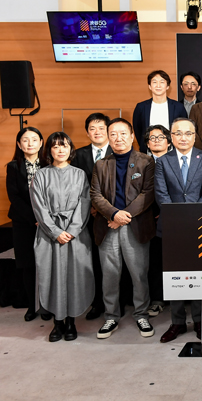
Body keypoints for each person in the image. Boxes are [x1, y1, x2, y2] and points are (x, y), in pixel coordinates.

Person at [90, 118, 156, 339]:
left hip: (135, 226)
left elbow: (147, 194)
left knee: (139, 274)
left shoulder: (146, 161)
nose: (118, 138)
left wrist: (122, 217)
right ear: (109, 137)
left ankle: (141, 314)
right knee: (109, 275)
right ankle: (111, 316)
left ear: (132, 136)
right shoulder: (101, 164)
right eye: (113, 134)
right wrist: (113, 214)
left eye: (123, 133)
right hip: (107, 227)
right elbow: (95, 194)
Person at [155, 118, 202, 343]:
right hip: (172, 228)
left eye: (188, 133)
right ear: (171, 137)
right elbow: (161, 195)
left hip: (199, 227)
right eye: (178, 133)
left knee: (199, 277)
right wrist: (179, 220)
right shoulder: (163, 161)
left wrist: (193, 220)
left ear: (195, 135)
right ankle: (177, 322)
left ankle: (200, 321)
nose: (183, 137)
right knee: (175, 277)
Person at [30, 132, 93, 342]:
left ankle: (71, 322)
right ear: (49, 150)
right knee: (52, 276)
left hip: (75, 234)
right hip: (49, 234)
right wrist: (55, 232)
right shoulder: (40, 175)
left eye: (64, 146)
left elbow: (84, 204)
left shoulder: (80, 174)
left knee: (75, 276)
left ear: (70, 149)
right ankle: (57, 323)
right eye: (55, 146)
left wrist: (72, 230)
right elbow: (38, 206)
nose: (60, 150)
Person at [71, 113, 112, 321]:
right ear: (87, 132)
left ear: (108, 131)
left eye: (101, 128)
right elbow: (74, 187)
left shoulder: (119, 151)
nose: (97, 132)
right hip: (88, 216)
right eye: (92, 129)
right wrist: (90, 207)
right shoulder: (78, 155)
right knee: (95, 260)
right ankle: (97, 303)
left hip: (114, 216)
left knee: (117, 260)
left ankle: (120, 301)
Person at [6, 127, 47, 322]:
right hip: (23, 222)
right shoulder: (13, 166)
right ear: (19, 144)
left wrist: (44, 219)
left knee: (46, 265)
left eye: (34, 139)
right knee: (28, 264)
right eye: (25, 140)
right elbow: (14, 196)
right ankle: (32, 305)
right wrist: (34, 218)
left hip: (47, 223)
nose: (30, 143)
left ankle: (47, 306)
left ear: (41, 143)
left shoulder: (49, 164)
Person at [144, 125, 172, 317]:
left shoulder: (175, 161)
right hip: (148, 219)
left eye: (160, 137)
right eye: (152, 138)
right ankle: (157, 299)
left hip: (173, 217)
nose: (156, 141)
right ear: (147, 143)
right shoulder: (141, 163)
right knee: (154, 261)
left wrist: (167, 212)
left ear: (169, 142)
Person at [133, 70, 188, 153]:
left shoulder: (178, 107)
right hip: (148, 152)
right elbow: (138, 130)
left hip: (172, 151)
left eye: (162, 82)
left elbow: (184, 128)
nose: (158, 85)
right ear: (150, 86)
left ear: (167, 86)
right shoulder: (141, 107)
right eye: (154, 82)